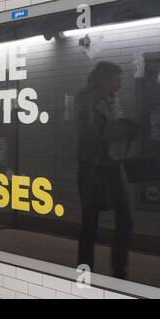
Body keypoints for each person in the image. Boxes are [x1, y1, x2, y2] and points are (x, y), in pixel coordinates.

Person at [76, 61, 137, 279]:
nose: (119, 85)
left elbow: (117, 130)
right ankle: (85, 273)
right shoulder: (86, 98)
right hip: (92, 167)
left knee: (126, 220)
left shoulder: (113, 100)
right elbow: (92, 134)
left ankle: (119, 272)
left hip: (113, 165)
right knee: (90, 224)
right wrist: (117, 125)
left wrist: (120, 126)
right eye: (116, 80)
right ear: (104, 79)